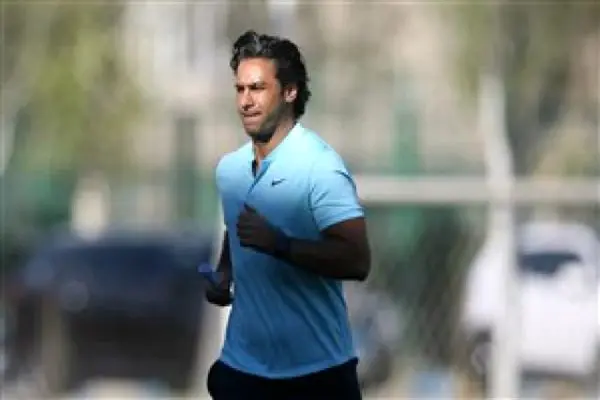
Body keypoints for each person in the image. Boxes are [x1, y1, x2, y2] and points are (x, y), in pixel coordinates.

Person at [203, 30, 371, 400]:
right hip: (243, 369)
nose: (245, 101)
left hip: (316, 374)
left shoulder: (319, 166)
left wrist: (281, 244)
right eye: (240, 89)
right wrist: (224, 274)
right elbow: (238, 231)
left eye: (257, 88)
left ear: (290, 92)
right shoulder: (230, 170)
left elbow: (357, 260)